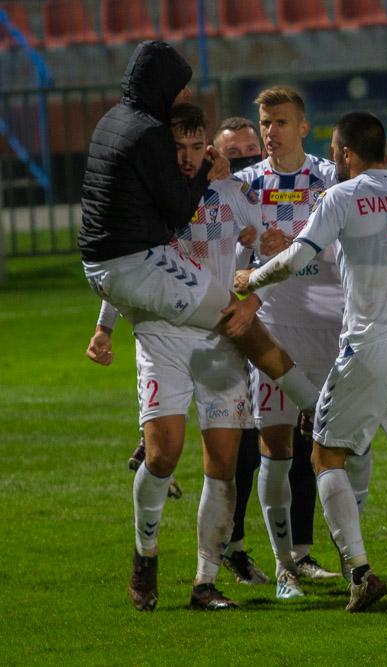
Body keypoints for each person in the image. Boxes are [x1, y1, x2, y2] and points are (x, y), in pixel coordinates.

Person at [233, 111, 387, 613]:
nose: (333, 159)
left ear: (347, 154)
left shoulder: (341, 195)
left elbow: (297, 258)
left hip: (371, 344)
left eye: (336, 152)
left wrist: (251, 280)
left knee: (325, 456)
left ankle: (359, 572)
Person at [78, 41, 320, 439]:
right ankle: (314, 405)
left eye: (196, 148)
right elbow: (161, 230)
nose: (187, 92)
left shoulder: (114, 121)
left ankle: (308, 407)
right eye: (180, 85)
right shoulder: (153, 142)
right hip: (158, 302)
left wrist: (255, 246)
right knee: (239, 318)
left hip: (120, 275)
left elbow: (264, 246)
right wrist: (206, 173)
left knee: (210, 459)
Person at [85, 103, 263, 611]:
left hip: (219, 339)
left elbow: (267, 247)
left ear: (208, 145)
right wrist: (105, 326)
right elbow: (126, 264)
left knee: (223, 464)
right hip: (161, 336)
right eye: (177, 147)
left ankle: (205, 583)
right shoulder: (148, 196)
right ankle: (145, 554)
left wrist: (254, 296)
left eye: (194, 146)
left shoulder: (231, 190)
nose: (186, 157)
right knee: (163, 455)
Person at [232, 86, 366, 599]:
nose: (271, 131)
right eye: (265, 122)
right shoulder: (246, 185)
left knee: (348, 444)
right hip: (275, 332)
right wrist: (247, 249)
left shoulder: (330, 178)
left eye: (281, 122)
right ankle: (285, 566)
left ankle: (350, 556)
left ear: (304, 127)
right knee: (277, 446)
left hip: (333, 329)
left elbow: (354, 237)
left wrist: (299, 247)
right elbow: (228, 254)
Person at [212, 116, 270, 586]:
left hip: (270, 320)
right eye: (234, 155)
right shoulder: (203, 198)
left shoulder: (261, 196)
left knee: (278, 445)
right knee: (240, 448)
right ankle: (228, 547)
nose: (247, 161)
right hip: (223, 327)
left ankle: (293, 553)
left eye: (253, 151)